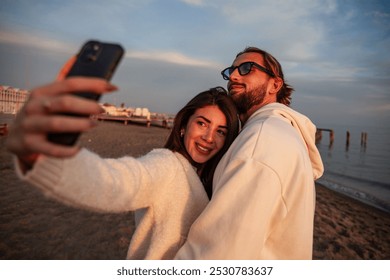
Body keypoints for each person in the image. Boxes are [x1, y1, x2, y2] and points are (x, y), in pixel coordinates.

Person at [6, 77, 240, 259]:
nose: (209, 138)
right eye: (202, 123)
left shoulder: (215, 178)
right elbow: (117, 183)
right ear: (183, 127)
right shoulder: (166, 165)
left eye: (220, 131)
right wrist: (49, 155)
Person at [175, 47, 324, 259]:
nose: (233, 76)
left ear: (275, 84)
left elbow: (220, 252)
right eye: (231, 71)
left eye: (247, 68)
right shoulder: (279, 132)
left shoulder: (262, 140)